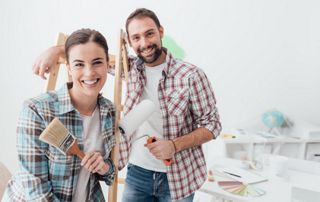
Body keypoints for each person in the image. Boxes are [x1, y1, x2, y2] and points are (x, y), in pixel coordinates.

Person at [32, 8, 222, 202]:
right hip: (137, 173)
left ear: (161, 31)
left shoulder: (191, 75)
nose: (145, 43)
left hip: (178, 177)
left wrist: (174, 145)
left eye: (149, 34)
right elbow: (93, 59)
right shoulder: (129, 68)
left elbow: (213, 124)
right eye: (136, 38)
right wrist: (57, 51)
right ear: (129, 43)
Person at [4, 28, 116, 202]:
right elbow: (36, 190)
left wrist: (103, 167)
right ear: (69, 68)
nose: (89, 72)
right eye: (79, 64)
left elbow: (110, 174)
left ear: (107, 64)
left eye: (97, 62)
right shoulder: (37, 110)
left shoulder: (109, 111)